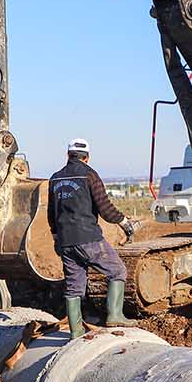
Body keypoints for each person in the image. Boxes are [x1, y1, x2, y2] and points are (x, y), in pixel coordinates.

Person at [48, 138, 140, 336]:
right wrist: (124, 222)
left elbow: (51, 213)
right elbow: (105, 209)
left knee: (74, 286)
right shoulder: (90, 175)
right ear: (87, 157)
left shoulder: (55, 178)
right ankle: (115, 315)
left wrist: (56, 237)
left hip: (65, 241)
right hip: (88, 237)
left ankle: (76, 332)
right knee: (117, 271)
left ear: (68, 155)